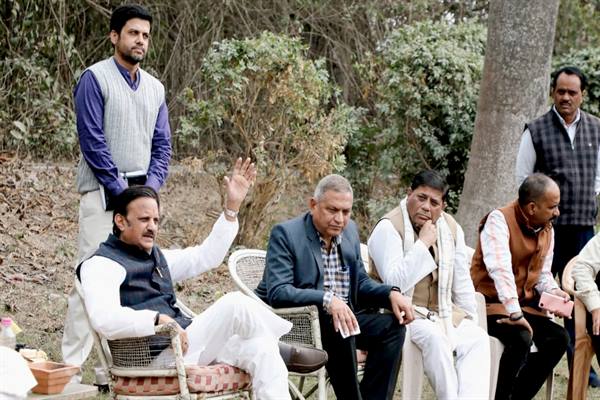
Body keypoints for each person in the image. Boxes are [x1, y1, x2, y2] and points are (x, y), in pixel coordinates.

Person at [78, 158, 327, 400]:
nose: (152, 227)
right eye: (144, 220)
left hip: (185, 346)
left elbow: (205, 256)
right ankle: (284, 345)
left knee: (262, 349)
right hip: (153, 358)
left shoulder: (155, 256)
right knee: (235, 303)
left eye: (156, 220)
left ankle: (275, 347)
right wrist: (156, 319)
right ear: (120, 221)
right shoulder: (101, 264)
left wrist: (232, 208)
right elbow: (104, 318)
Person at [62, 4, 172, 383]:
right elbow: (92, 142)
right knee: (90, 282)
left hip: (139, 199)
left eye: (145, 35)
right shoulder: (94, 79)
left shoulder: (155, 88)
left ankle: (114, 371)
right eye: (133, 33)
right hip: (101, 194)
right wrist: (124, 194)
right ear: (115, 36)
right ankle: (70, 370)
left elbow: (163, 146)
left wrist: (147, 193)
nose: (140, 40)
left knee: (132, 284)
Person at [255, 174, 414, 400]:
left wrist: (391, 293)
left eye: (346, 212)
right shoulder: (286, 234)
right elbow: (279, 291)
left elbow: (360, 283)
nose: (339, 219)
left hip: (342, 321)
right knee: (340, 323)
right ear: (313, 205)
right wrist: (328, 300)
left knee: (392, 327)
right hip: (298, 324)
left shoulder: (349, 232)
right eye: (332, 210)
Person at [367, 170, 490, 400]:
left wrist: (470, 318)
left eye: (434, 202)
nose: (426, 207)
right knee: (436, 339)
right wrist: (423, 243)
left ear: (443, 206)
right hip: (401, 314)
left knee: (478, 338)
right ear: (409, 194)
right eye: (421, 198)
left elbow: (462, 283)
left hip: (443, 312)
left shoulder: (451, 227)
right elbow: (394, 283)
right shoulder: (389, 227)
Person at [515, 65, 600, 386]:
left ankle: (583, 367)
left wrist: (584, 199)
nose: (566, 97)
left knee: (582, 294)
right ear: (553, 91)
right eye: (560, 91)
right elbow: (523, 181)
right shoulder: (535, 130)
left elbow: (598, 177)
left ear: (582, 95)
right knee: (538, 291)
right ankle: (530, 354)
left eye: (572, 92)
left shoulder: (596, 128)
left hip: (583, 228)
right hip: (544, 231)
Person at [471, 173, 571, 400]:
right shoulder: (498, 220)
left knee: (559, 339)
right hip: (489, 305)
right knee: (520, 337)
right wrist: (514, 313)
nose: (557, 212)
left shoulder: (548, 229)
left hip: (522, 306)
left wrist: (554, 292)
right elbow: (500, 270)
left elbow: (542, 275)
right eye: (552, 207)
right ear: (532, 207)